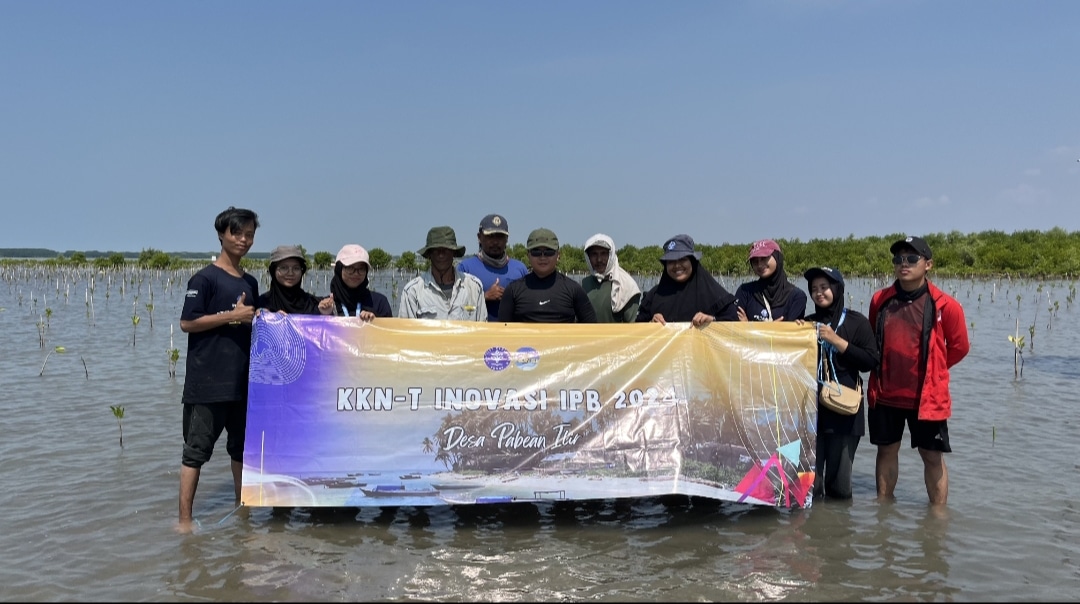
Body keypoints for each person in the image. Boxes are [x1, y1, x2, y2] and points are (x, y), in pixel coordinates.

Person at [867, 236, 970, 505]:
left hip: (926, 398)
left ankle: (937, 519)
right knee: (886, 451)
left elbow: (960, 347)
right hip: (886, 394)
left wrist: (934, 370)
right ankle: (883, 512)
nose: (904, 264)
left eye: (912, 258)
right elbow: (872, 341)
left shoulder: (946, 305)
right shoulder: (880, 300)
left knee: (932, 456)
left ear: (928, 265)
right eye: (899, 259)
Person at [178, 206, 260, 531]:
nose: (243, 239)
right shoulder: (204, 278)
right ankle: (183, 521)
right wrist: (231, 316)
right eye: (236, 232)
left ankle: (243, 511)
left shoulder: (251, 281)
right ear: (222, 234)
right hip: (207, 383)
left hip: (243, 384)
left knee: (241, 451)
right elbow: (187, 322)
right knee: (195, 452)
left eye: (249, 234)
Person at [801, 266, 880, 500]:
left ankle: (839, 533)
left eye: (824, 287)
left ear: (837, 288)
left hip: (845, 414)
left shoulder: (857, 322)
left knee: (840, 489)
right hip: (811, 414)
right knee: (808, 489)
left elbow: (870, 361)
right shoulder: (805, 324)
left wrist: (837, 341)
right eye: (814, 289)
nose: (819, 293)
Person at [636, 234, 738, 326]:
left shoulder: (714, 293)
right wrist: (650, 324)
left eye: (682, 259)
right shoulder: (653, 296)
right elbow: (636, 329)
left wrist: (712, 320)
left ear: (692, 262)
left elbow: (735, 324)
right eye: (671, 261)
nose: (677, 265)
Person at [498, 228, 596, 323]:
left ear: (558, 255)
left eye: (549, 252)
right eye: (536, 252)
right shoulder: (513, 291)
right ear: (528, 255)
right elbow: (502, 332)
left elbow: (592, 329)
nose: (542, 257)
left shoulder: (574, 289)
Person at [398, 226, 488, 321]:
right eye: (436, 250)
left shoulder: (474, 287)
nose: (441, 255)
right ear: (429, 254)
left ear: (454, 253)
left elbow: (481, 330)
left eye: (446, 250)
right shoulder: (412, 291)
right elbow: (405, 332)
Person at [458, 213, 528, 321]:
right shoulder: (465, 269)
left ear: (507, 239)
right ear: (479, 237)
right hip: (478, 335)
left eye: (500, 237)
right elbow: (456, 307)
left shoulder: (520, 269)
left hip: (511, 335)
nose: (495, 242)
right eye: (490, 236)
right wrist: (484, 297)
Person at [736, 239, 807, 322]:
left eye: (764, 258)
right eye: (755, 261)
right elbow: (735, 327)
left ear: (777, 257)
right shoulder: (745, 291)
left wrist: (750, 326)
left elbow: (791, 332)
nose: (759, 265)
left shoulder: (797, 296)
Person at [257, 245, 335, 315]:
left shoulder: (312, 303)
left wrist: (324, 313)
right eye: (284, 268)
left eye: (296, 268)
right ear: (273, 271)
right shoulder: (262, 303)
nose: (290, 273)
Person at [581, 233, 642, 323]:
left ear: (612, 255)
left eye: (604, 254)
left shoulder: (627, 287)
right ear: (588, 257)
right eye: (594, 254)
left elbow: (633, 326)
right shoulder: (583, 284)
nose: (599, 260)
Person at [328, 244, 392, 320]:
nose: (356, 273)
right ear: (339, 269)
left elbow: (389, 330)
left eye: (361, 269)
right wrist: (325, 314)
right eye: (350, 268)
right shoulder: (326, 305)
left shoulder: (379, 303)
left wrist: (376, 321)